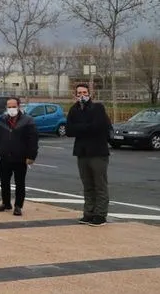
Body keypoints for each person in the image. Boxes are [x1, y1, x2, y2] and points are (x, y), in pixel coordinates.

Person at [66, 83, 113, 227]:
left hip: (98, 152)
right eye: (79, 93)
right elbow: (69, 130)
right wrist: (84, 127)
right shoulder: (74, 110)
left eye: (84, 92)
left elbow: (97, 127)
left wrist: (80, 128)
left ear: (90, 93)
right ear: (75, 94)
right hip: (82, 152)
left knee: (100, 184)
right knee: (87, 185)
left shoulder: (97, 108)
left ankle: (100, 214)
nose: (82, 95)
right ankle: (89, 213)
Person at [0, 97, 39, 216]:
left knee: (20, 183)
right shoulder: (2, 119)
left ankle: (18, 206)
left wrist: (31, 156)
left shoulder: (28, 121)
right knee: (4, 182)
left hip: (20, 158)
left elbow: (33, 140)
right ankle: (6, 203)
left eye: (13, 106)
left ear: (19, 106)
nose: (11, 109)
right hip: (5, 157)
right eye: (9, 107)